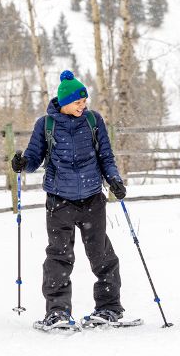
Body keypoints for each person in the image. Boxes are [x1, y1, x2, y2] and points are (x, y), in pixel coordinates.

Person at [11, 70, 127, 329]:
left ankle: (109, 308)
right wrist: (23, 163)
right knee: (59, 257)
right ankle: (58, 312)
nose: (83, 105)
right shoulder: (46, 124)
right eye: (78, 102)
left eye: (85, 101)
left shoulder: (93, 121)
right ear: (63, 102)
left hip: (92, 199)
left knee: (101, 254)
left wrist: (114, 180)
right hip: (59, 200)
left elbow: (105, 156)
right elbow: (34, 157)